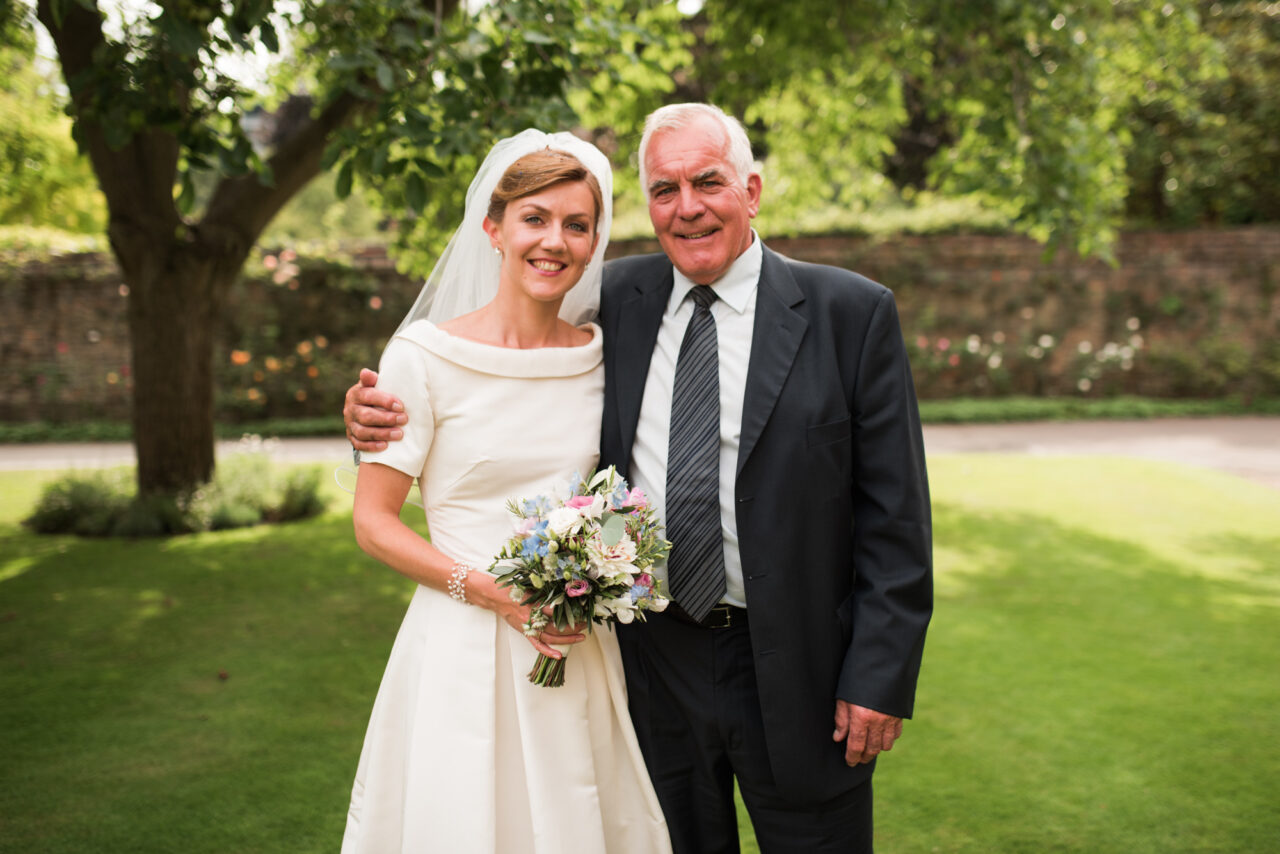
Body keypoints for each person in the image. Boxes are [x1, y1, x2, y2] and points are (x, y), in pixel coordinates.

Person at [346, 104, 932, 854]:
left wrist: (878, 677)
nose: (687, 208)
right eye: (664, 189)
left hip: (800, 666)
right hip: (648, 663)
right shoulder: (616, 303)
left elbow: (896, 520)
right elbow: (478, 387)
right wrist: (368, 412)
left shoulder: (850, 312)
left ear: (750, 191)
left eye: (708, 182)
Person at [340, 130, 671, 854]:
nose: (555, 241)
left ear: (594, 243)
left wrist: (608, 565)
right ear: (492, 229)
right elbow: (374, 524)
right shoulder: (423, 358)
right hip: (461, 647)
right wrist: (498, 595)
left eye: (577, 225)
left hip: (575, 647)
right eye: (534, 218)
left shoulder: (602, 358)